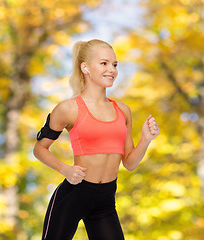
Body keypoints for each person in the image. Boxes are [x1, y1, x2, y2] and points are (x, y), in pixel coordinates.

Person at [33, 39, 159, 240]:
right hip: (73, 196)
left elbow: (130, 163)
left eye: (115, 64)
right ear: (85, 67)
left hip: (105, 201)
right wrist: (66, 169)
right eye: (104, 63)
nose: (112, 70)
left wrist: (146, 139)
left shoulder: (123, 111)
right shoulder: (69, 108)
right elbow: (40, 149)